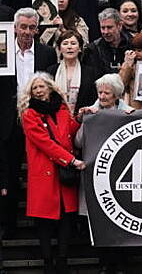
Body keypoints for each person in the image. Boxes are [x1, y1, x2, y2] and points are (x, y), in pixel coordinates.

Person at [19, 74, 85, 274]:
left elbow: (71, 132)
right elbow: (44, 143)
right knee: (45, 220)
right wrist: (71, 160)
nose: (38, 91)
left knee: (66, 217)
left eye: (41, 87)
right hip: (46, 172)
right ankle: (48, 262)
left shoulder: (63, 110)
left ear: (50, 88)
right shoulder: (29, 114)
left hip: (63, 172)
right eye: (34, 88)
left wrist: (81, 118)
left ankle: (62, 260)